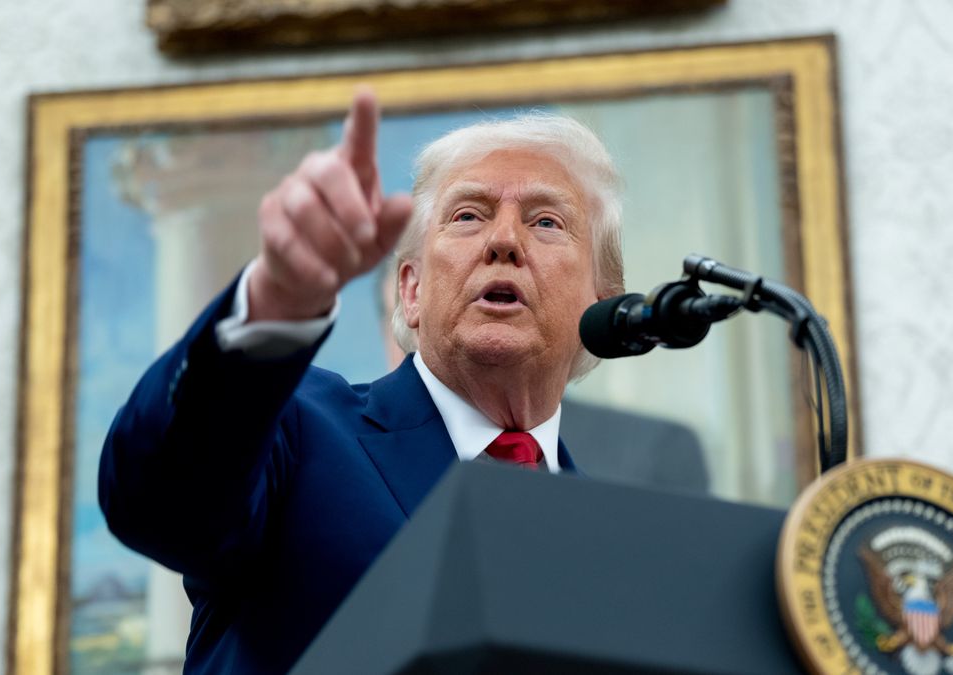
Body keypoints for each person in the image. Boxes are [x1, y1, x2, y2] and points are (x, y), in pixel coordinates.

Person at [98, 87, 625, 673]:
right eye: (468, 215)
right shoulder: (297, 432)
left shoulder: (616, 550)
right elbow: (163, 503)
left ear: (601, 303)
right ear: (412, 290)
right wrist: (274, 303)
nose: (504, 242)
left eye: (546, 221)